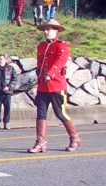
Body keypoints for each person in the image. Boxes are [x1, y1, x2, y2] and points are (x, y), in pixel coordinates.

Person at [28, 19, 80, 153]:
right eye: (45, 29)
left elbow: (60, 61)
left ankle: (74, 138)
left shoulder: (61, 46)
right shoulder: (41, 46)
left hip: (56, 84)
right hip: (43, 86)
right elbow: (40, 64)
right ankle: (41, 142)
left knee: (60, 113)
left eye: (49, 29)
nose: (46, 32)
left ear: (56, 30)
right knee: (41, 114)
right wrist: (40, 76)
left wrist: (50, 74)